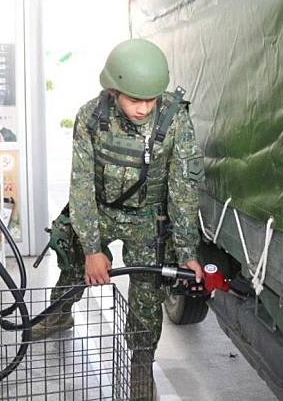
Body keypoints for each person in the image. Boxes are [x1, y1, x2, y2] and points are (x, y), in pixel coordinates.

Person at [33, 38, 205, 395]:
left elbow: (183, 192)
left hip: (148, 220)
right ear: (113, 90)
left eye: (150, 99)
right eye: (133, 99)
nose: (143, 109)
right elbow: (80, 187)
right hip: (100, 210)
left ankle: (142, 362)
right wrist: (92, 249)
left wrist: (187, 252)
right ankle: (60, 311)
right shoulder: (91, 117)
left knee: (147, 293)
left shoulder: (175, 119)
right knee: (73, 260)